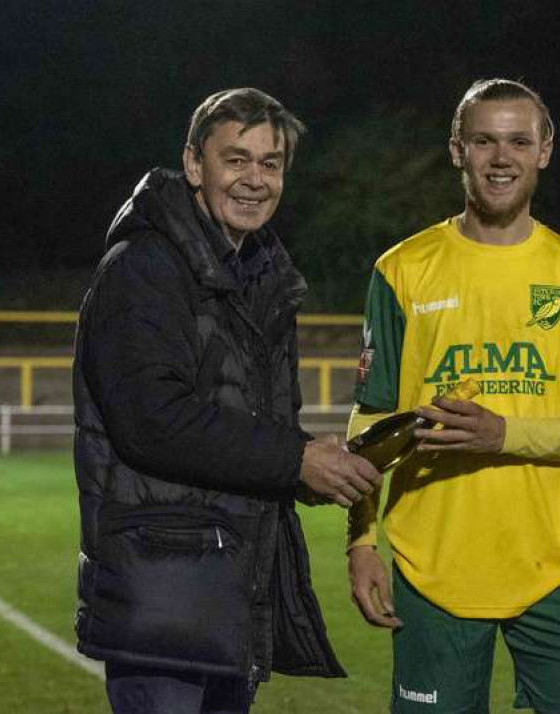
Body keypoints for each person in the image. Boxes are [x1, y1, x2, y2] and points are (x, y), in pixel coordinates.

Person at [73, 87, 383, 713]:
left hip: (225, 594)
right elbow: (153, 422)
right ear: (194, 165)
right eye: (235, 159)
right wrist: (295, 458)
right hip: (163, 597)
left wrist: (312, 472)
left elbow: (248, 425)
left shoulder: (260, 277)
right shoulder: (143, 268)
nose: (254, 180)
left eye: (270, 164)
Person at [346, 78, 560, 713]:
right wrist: (361, 541)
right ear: (458, 150)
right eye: (484, 141)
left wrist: (503, 434)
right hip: (432, 565)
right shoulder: (402, 270)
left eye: (517, 141)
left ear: (544, 151)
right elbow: (371, 420)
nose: (501, 157)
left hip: (552, 566)